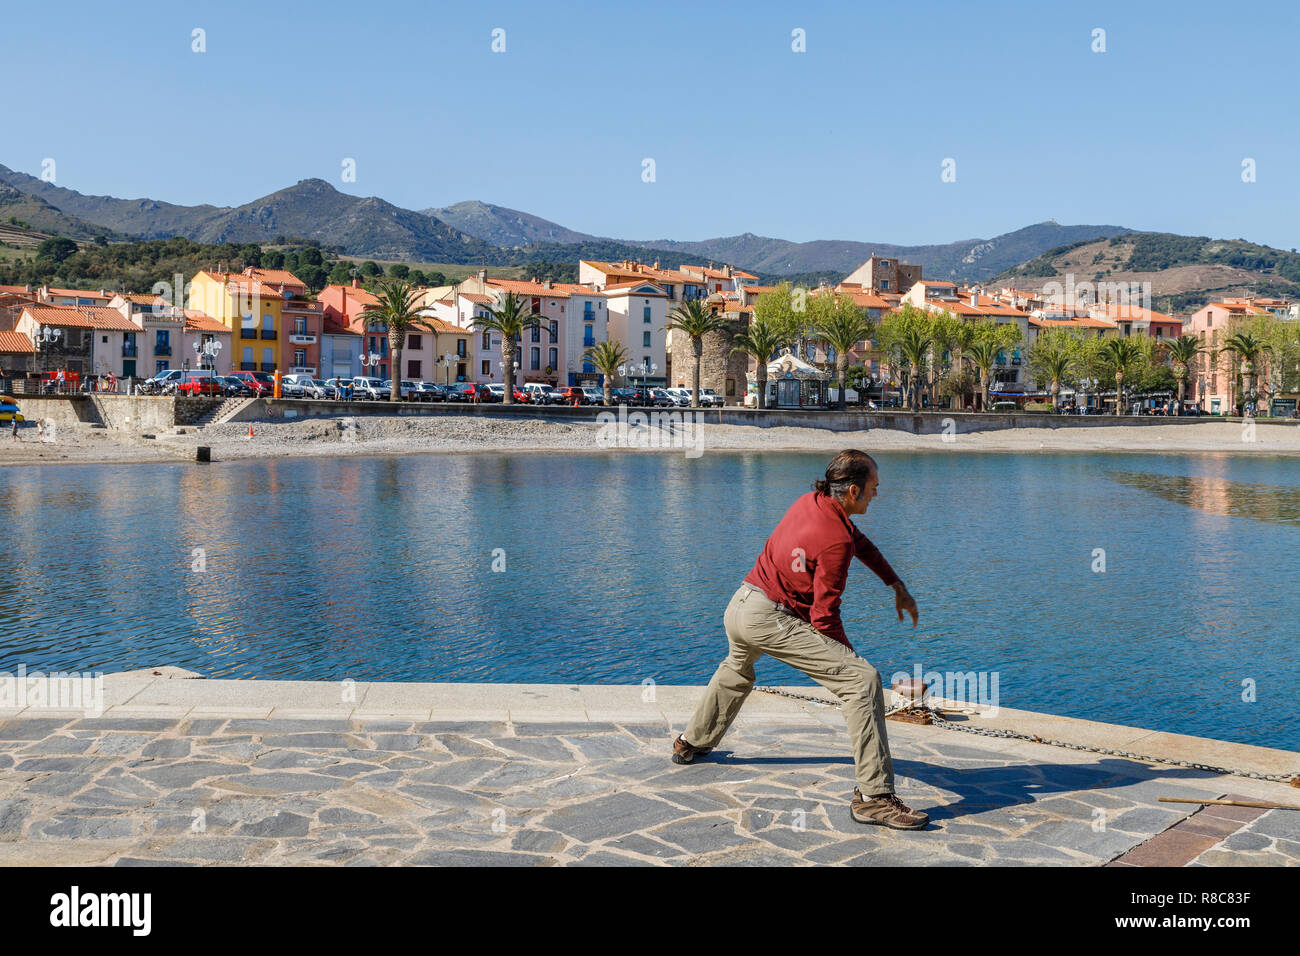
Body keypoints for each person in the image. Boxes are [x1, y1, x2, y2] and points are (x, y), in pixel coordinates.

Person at [673, 449, 928, 830]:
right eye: (874, 487)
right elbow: (824, 617)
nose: (879, 493)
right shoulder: (835, 541)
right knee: (863, 682)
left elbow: (862, 545)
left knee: (737, 669)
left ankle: (690, 742)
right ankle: (874, 798)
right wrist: (850, 664)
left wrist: (896, 584)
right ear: (854, 490)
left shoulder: (814, 502)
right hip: (768, 618)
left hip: (740, 604)